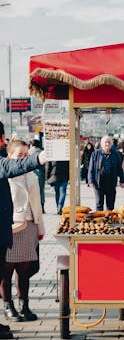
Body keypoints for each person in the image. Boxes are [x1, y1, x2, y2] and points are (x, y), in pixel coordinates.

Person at [0, 121, 46, 339]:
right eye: (19, 154)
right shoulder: (6, 172)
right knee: (6, 270)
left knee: (25, 269)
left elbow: (38, 204)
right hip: (12, 225)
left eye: (26, 154)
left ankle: (24, 304)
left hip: (29, 225)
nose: (23, 158)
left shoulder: (32, 175)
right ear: (9, 154)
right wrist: (38, 159)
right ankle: (8, 305)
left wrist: (40, 227)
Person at [88, 136, 124, 211]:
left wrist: (122, 180)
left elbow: (119, 168)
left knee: (110, 204)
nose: (107, 144)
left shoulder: (115, 154)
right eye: (105, 142)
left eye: (109, 142)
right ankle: (100, 220)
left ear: (111, 144)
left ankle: (109, 220)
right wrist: (90, 180)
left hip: (111, 181)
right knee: (99, 203)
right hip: (99, 181)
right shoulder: (95, 154)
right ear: (102, 144)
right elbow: (91, 168)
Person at [29, 139, 46, 213]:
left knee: (31, 191)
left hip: (31, 173)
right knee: (41, 190)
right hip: (41, 173)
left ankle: (34, 208)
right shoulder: (42, 152)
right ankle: (42, 206)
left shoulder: (29, 152)